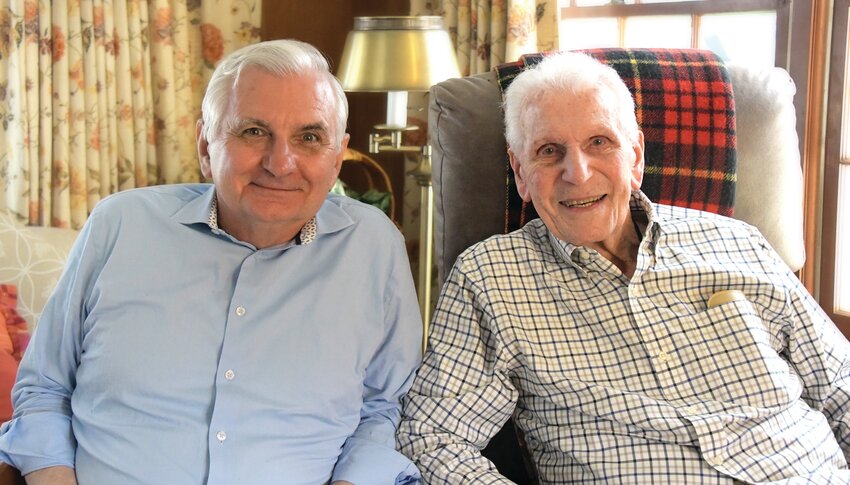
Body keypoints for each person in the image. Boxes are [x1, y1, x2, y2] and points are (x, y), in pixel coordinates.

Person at [396, 51, 850, 484]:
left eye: (600, 142)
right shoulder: (491, 277)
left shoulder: (740, 242)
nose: (578, 172)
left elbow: (842, 391)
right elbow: (433, 437)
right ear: (520, 173)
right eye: (550, 151)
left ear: (635, 156)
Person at [0, 39, 423, 485]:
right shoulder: (120, 225)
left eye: (310, 137)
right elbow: (45, 388)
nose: (281, 164)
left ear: (337, 157)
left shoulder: (373, 245)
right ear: (205, 145)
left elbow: (386, 407)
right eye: (253, 132)